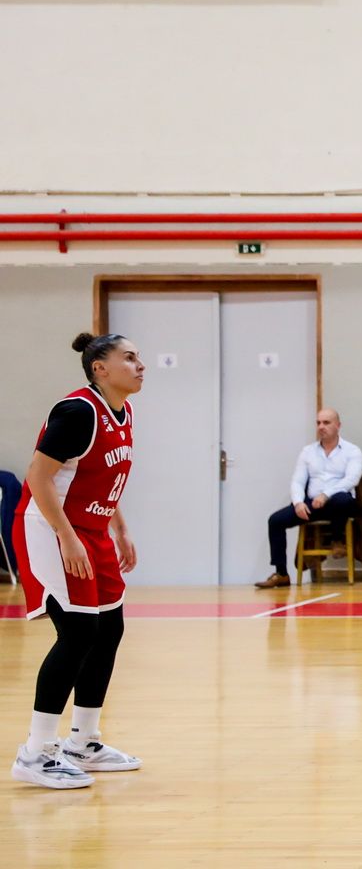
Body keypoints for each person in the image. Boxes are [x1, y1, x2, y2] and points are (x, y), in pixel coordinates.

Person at [12, 333, 144, 790]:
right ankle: (35, 752)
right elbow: (38, 476)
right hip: (51, 527)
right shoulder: (78, 411)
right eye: (130, 357)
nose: (140, 365)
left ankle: (83, 742)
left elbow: (101, 476)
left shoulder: (122, 412)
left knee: (109, 629)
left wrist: (119, 528)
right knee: (78, 633)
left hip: (92, 529)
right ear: (99, 368)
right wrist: (67, 538)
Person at [254, 408, 362, 589]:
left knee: (342, 499)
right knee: (275, 521)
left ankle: (337, 541)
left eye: (326, 423)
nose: (321, 427)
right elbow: (297, 481)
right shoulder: (308, 452)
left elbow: (351, 480)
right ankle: (281, 574)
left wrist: (326, 494)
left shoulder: (352, 451)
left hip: (338, 504)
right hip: (313, 504)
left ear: (338, 425)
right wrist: (298, 502)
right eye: (318, 423)